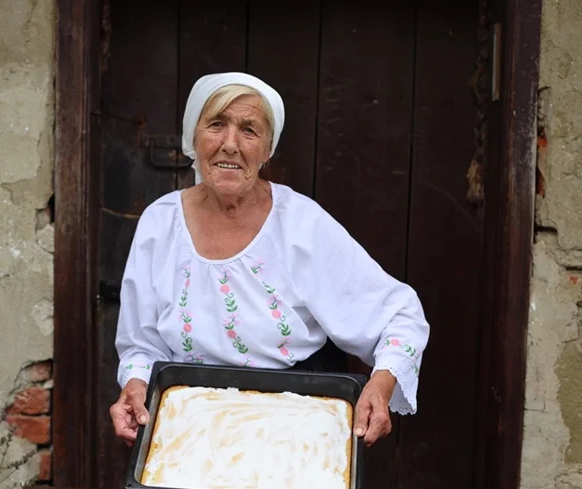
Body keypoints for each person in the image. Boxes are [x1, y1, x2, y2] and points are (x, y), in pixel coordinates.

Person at [110, 72, 430, 448]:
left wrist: (380, 384)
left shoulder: (300, 225)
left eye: (249, 130)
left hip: (297, 421)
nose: (230, 144)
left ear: (267, 150)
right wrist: (135, 384)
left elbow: (400, 316)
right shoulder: (160, 223)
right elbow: (141, 344)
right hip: (192, 424)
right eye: (216, 124)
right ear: (193, 137)